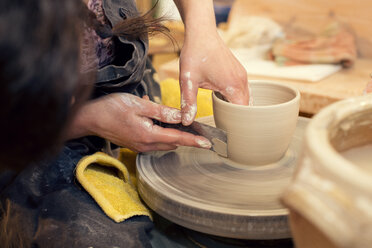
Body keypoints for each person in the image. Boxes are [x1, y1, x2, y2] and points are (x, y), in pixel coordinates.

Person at [0, 0, 249, 247]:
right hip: (32, 135)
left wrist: (203, 29)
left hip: (126, 87)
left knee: (215, 100)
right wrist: (87, 117)